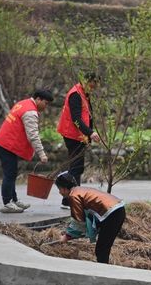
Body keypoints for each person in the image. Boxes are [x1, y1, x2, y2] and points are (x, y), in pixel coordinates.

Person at [0, 89, 54, 213]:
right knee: (9, 174)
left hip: (5, 143)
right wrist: (42, 154)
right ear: (38, 99)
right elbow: (33, 135)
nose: (46, 106)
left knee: (12, 173)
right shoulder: (30, 112)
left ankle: (14, 200)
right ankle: (7, 203)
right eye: (46, 103)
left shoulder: (24, 103)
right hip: (6, 145)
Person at [55, 172, 126, 264]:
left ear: (64, 188)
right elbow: (86, 217)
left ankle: (104, 273)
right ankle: (104, 268)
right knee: (103, 246)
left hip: (112, 214)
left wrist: (67, 236)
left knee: (101, 249)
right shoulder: (79, 190)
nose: (59, 192)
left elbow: (79, 222)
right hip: (117, 209)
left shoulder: (73, 196)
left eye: (59, 189)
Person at [57, 73, 100, 208]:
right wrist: (90, 133)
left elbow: (87, 115)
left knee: (76, 167)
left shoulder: (84, 93)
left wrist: (88, 135)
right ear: (87, 81)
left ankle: (71, 199)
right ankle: (70, 200)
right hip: (72, 134)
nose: (95, 87)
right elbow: (76, 118)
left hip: (80, 135)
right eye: (94, 83)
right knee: (76, 168)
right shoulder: (76, 94)